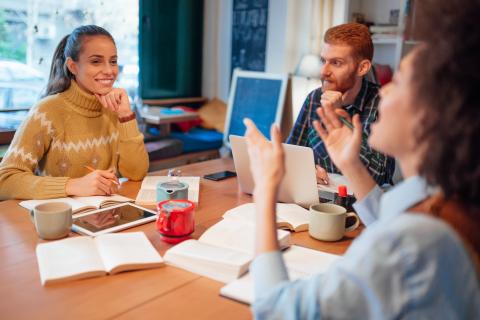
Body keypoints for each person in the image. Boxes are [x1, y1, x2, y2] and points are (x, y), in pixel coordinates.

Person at [244, 1, 480, 317]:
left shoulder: (413, 244)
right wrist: (351, 164)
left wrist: (265, 191)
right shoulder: (441, 207)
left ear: (431, 116)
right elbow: (387, 220)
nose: (386, 91)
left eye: (400, 81)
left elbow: (276, 310)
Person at [0, 25, 149, 200]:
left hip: (106, 215)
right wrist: (73, 185)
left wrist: (125, 115)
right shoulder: (46, 111)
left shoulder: (115, 107)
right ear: (72, 66)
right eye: (96, 61)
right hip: (59, 221)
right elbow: (6, 180)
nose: (109, 71)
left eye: (113, 61)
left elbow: (136, 173)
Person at [287, 23, 394, 186]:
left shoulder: (385, 104)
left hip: (360, 207)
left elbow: (381, 176)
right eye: (324, 60)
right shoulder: (315, 98)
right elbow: (290, 156)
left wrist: (338, 118)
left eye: (336, 63)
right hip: (317, 201)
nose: (324, 71)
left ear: (362, 67)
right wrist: (308, 170)